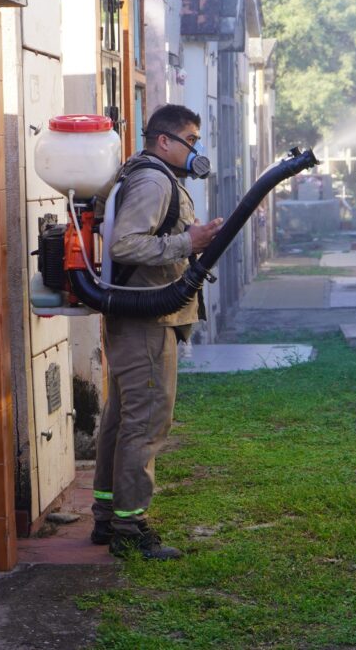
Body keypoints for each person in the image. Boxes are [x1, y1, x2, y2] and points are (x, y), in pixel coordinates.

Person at [90, 104, 223, 560]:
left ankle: (107, 516)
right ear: (164, 141)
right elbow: (125, 243)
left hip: (138, 317)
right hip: (145, 321)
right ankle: (130, 528)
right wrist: (190, 241)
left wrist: (189, 238)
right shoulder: (153, 180)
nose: (196, 150)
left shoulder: (147, 173)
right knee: (145, 423)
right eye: (191, 140)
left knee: (123, 418)